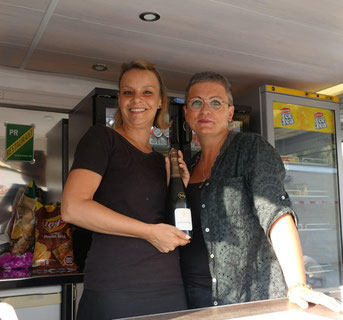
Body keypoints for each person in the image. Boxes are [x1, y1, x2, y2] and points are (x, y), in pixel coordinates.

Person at [179, 71, 343, 312]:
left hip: (249, 295)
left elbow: (275, 212)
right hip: (195, 295)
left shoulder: (251, 148)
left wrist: (298, 284)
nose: (205, 110)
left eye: (216, 102)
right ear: (186, 112)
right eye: (196, 102)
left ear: (230, 112)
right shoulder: (190, 166)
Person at [61, 60, 190, 320]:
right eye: (128, 92)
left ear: (160, 101)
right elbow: (72, 208)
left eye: (147, 92)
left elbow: (160, 221)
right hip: (116, 288)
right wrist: (149, 233)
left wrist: (178, 189)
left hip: (169, 287)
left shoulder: (159, 159)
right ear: (119, 98)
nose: (136, 100)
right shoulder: (102, 139)